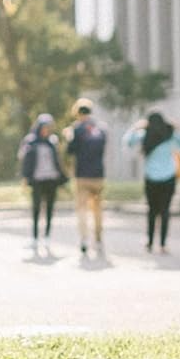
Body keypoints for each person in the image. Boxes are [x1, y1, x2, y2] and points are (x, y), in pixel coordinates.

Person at [124, 110, 180, 252]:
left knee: (151, 211)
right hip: (169, 177)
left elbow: (127, 141)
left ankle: (150, 242)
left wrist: (135, 127)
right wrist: (177, 127)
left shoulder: (145, 135)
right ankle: (163, 244)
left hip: (151, 177)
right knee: (165, 211)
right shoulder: (170, 135)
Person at [18, 113, 68, 254]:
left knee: (50, 209)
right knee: (36, 209)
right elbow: (24, 159)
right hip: (37, 180)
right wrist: (25, 177)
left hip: (51, 179)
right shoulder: (30, 141)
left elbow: (58, 161)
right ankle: (34, 238)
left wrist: (63, 178)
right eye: (44, 127)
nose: (46, 130)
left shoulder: (53, 141)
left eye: (48, 127)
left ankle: (47, 236)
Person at [63, 97, 107, 255]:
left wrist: (69, 137)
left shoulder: (76, 129)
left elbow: (70, 151)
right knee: (97, 209)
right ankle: (99, 239)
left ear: (77, 113)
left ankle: (84, 239)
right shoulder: (101, 128)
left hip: (82, 175)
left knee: (82, 209)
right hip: (98, 175)